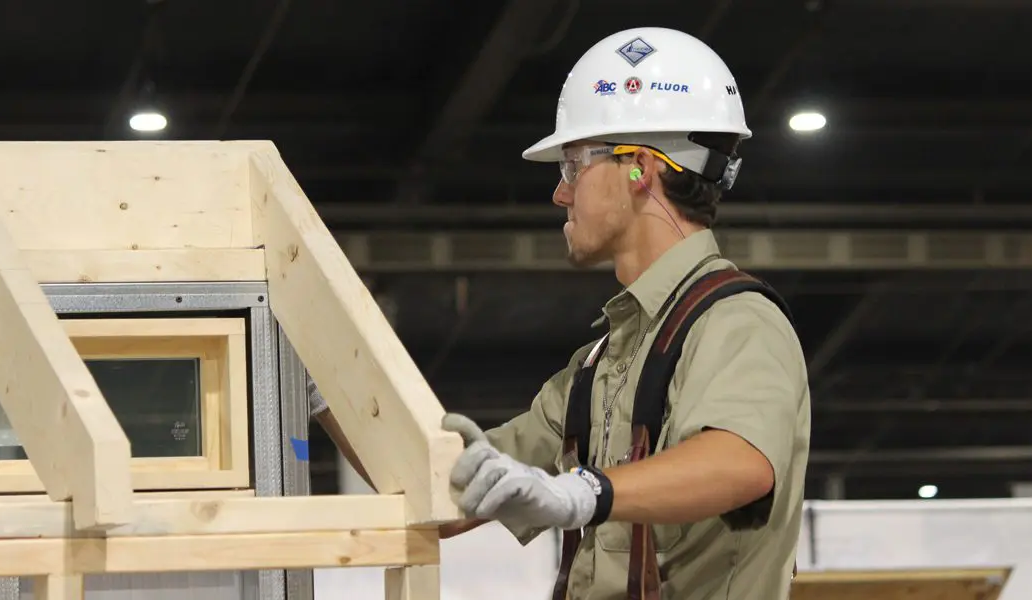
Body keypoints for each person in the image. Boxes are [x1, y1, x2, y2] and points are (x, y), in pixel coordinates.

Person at [310, 26, 811, 600]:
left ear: (639, 168)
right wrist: (323, 383)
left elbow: (739, 462)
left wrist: (585, 492)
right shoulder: (596, 368)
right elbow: (444, 492)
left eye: (573, 164)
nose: (561, 192)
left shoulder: (738, 321)